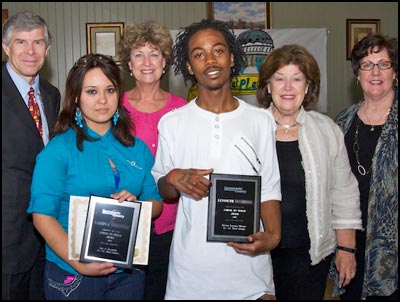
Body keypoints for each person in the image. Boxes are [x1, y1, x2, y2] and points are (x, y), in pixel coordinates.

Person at [151, 19, 281, 300]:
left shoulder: (260, 120)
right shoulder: (172, 123)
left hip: (251, 271)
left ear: (233, 58)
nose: (210, 60)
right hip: (190, 276)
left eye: (218, 51)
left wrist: (273, 235)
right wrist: (173, 178)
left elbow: (269, 187)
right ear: (188, 66)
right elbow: (162, 190)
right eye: (199, 54)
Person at [27, 53, 163, 300]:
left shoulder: (137, 148)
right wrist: (77, 261)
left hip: (128, 274)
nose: (102, 100)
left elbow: (156, 203)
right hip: (73, 275)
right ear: (76, 97)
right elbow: (42, 217)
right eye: (92, 91)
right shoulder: (59, 150)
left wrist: (138, 205)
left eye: (109, 90)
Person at [256, 44, 363, 300]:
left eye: (297, 79)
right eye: (279, 79)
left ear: (307, 87)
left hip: (310, 255)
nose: (288, 87)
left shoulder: (327, 130)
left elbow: (344, 192)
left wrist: (347, 249)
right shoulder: (250, 128)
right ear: (268, 86)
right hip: (257, 252)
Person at [118, 20, 187, 300]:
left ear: (165, 62)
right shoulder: (113, 106)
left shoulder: (182, 110)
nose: (147, 62)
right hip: (124, 220)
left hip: (171, 224)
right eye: (138, 54)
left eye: (154, 54)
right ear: (129, 63)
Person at [2, 11, 61, 300]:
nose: (30, 51)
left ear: (47, 50)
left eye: (38, 43)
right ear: (5, 47)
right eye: (21, 42)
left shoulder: (51, 94)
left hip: (45, 234)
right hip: (6, 239)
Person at [334, 33, 398, 300]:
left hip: (392, 251)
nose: (375, 71)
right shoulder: (342, 122)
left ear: (394, 73)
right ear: (357, 74)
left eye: (383, 64)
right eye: (367, 65)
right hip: (352, 244)